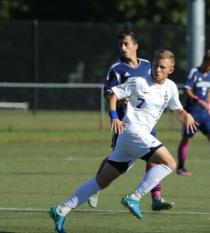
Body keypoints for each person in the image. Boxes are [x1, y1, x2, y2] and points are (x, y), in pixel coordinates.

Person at [49, 49, 197, 233]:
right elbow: (112, 94)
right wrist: (114, 117)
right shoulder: (139, 81)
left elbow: (178, 109)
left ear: (170, 70)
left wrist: (186, 116)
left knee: (101, 182)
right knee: (169, 163)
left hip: (131, 140)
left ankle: (61, 210)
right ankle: (134, 197)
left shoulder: (171, 87)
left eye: (162, 67)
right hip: (132, 131)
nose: (157, 69)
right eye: (155, 65)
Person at [88, 31, 174, 211]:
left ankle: (156, 198)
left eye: (126, 44)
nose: (123, 48)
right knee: (117, 160)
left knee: (157, 158)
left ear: (136, 46)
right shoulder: (116, 68)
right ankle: (96, 187)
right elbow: (109, 94)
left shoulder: (148, 65)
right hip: (126, 122)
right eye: (120, 45)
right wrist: (118, 106)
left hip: (146, 121)